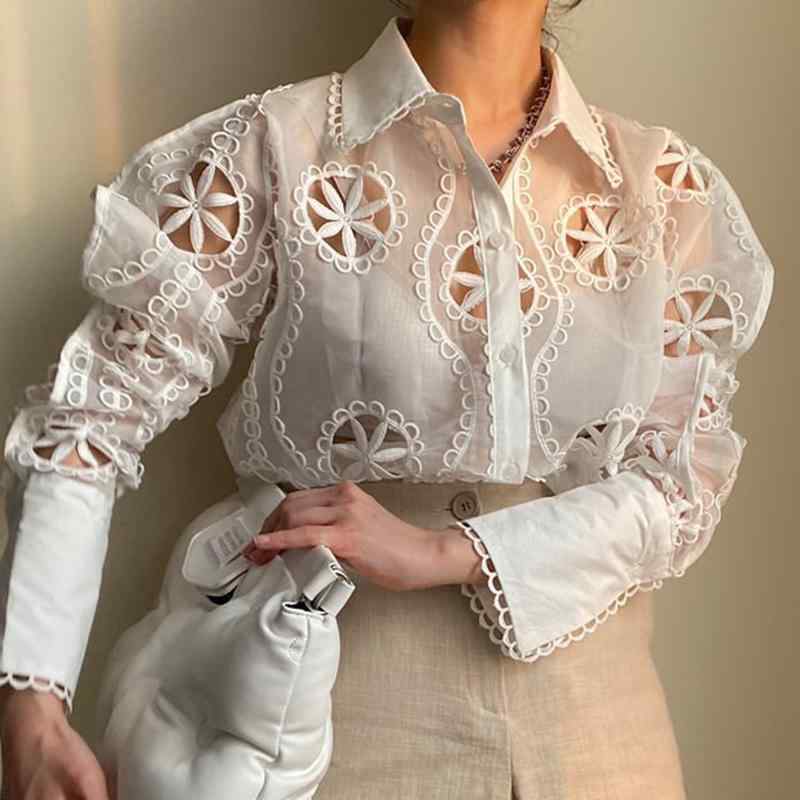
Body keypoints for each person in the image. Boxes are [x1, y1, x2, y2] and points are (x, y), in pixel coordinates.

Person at [0, 1, 775, 798]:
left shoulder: (657, 187)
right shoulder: (280, 147)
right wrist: (32, 701)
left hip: (601, 722)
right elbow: (89, 415)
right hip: (345, 702)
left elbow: (679, 484)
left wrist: (445, 550)